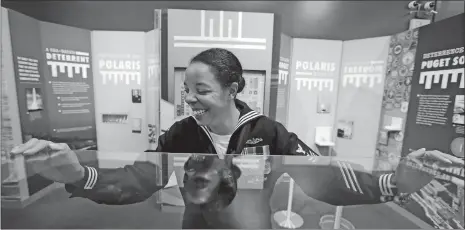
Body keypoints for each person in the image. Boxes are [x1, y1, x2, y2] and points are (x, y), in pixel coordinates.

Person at [10, 48, 463, 229]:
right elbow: (137, 181)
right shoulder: (180, 134)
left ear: (233, 89)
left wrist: (391, 184)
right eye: (187, 90)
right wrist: (82, 175)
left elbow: (322, 180)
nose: (190, 99)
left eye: (201, 90)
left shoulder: (269, 132)